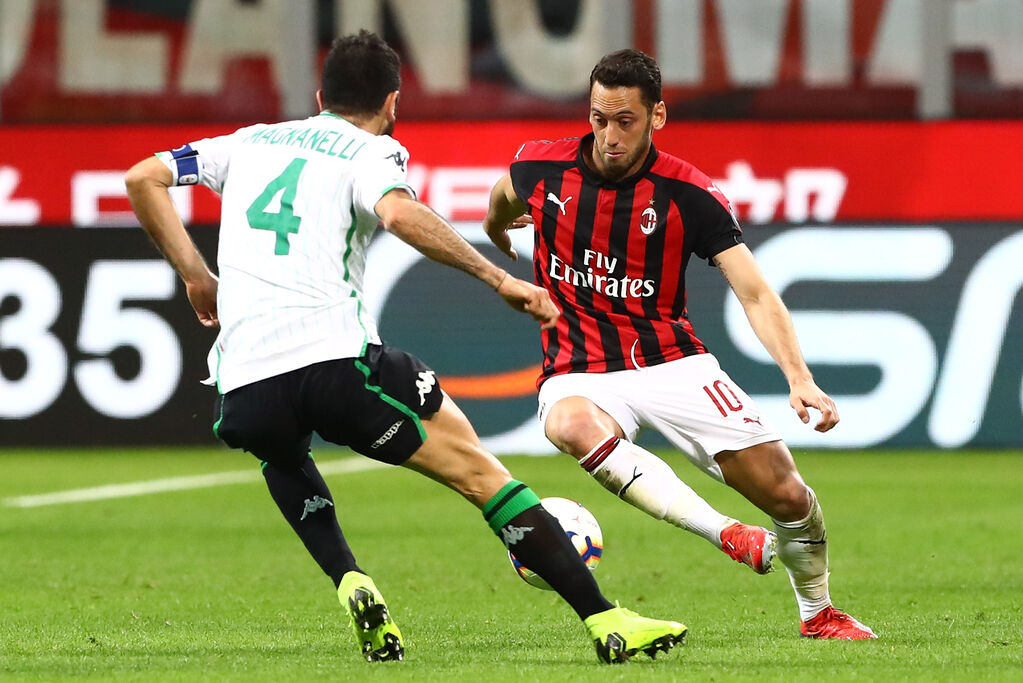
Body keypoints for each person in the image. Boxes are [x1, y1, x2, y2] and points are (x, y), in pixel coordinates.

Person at [124, 31, 687, 664]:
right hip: (336, 368)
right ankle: (605, 619)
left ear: (319, 95)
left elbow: (143, 177)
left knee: (282, 454)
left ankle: (350, 580)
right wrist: (500, 277)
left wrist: (196, 275)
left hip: (245, 386)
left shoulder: (249, 141)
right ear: (393, 102)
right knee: (481, 474)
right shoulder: (373, 150)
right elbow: (397, 215)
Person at [483, 48, 876, 640]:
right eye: (598, 118)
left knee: (788, 495)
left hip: (672, 361)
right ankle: (725, 533)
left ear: (657, 117)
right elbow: (499, 203)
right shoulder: (540, 168)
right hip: (578, 366)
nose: (609, 135)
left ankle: (818, 612)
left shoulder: (688, 192)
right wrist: (499, 237)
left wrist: (799, 377)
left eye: (625, 121)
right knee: (567, 424)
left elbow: (755, 293)